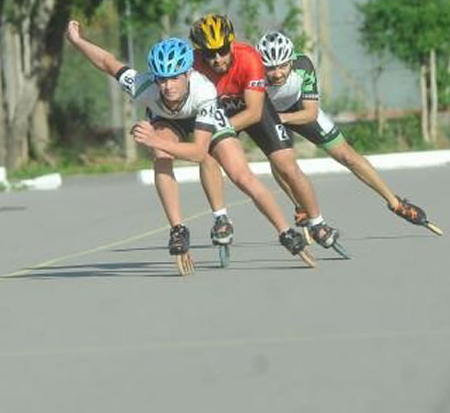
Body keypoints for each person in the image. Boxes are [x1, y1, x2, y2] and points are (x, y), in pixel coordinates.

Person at [64, 20, 314, 271]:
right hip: (167, 120)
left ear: (188, 73)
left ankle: (284, 231)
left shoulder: (204, 91)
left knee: (240, 174)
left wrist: (152, 139)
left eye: (174, 78)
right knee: (161, 155)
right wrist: (77, 41)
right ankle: (178, 229)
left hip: (199, 114)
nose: (168, 87)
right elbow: (108, 63)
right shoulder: (144, 87)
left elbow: (197, 152)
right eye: (162, 80)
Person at [254, 30, 442, 234]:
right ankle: (301, 208)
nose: (278, 73)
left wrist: (280, 119)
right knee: (279, 162)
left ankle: (396, 203)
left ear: (291, 60)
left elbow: (310, 113)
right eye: (270, 68)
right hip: (268, 112)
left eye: (283, 65)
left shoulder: (303, 65)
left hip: (299, 109)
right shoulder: (252, 73)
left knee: (347, 155)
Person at [189, 14, 341, 248]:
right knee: (207, 156)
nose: (218, 58)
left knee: (287, 165)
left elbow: (253, 113)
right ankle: (220, 218)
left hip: (253, 107)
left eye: (223, 50)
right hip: (218, 109)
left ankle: (317, 222)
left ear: (231, 43)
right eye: (210, 53)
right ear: (200, 52)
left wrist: (221, 131)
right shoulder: (192, 65)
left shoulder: (249, 57)